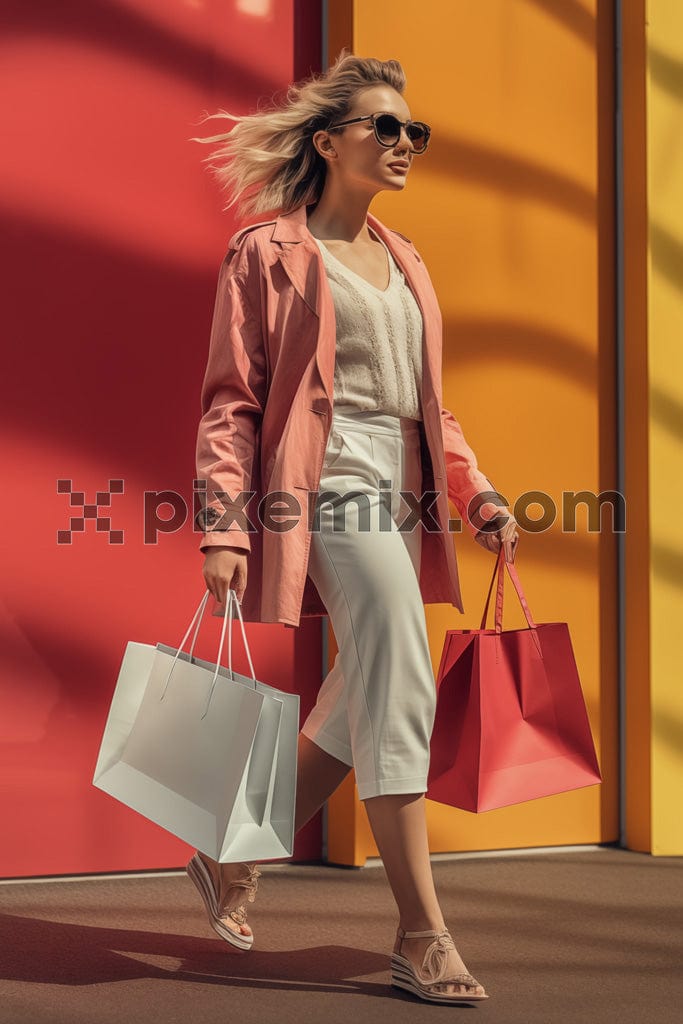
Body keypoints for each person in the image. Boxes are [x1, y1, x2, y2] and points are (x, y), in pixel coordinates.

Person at [185, 50, 519, 1005]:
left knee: (365, 688)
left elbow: (431, 409)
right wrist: (224, 526)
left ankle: (231, 854)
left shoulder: (407, 259)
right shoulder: (267, 254)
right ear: (329, 142)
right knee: (401, 674)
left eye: (414, 130)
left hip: (403, 494)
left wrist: (478, 494)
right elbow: (230, 404)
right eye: (385, 127)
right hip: (321, 487)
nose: (405, 143)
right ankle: (422, 933)